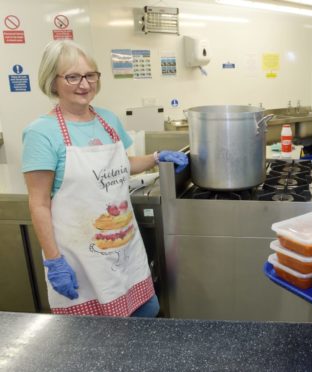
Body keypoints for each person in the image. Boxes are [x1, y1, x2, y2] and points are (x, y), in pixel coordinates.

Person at [21, 40, 188, 317]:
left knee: (145, 318)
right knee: (100, 341)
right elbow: (38, 203)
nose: (84, 84)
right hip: (82, 260)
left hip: (126, 250)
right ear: (52, 82)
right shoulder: (41, 133)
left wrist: (156, 158)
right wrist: (54, 260)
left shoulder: (107, 120)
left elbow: (122, 165)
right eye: (72, 76)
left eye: (90, 75)